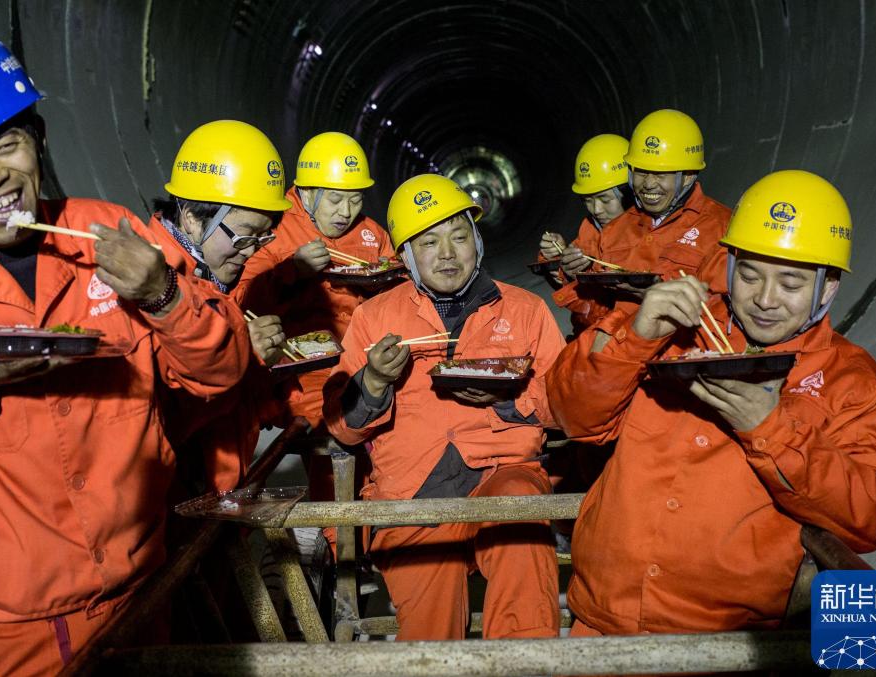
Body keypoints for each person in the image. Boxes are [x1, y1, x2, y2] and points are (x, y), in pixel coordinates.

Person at [0, 28, 245, 673]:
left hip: (137, 598)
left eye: (8, 145)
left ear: (40, 141)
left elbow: (221, 373)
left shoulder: (111, 235)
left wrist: (165, 295)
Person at [547, 170, 876, 636]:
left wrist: (771, 429)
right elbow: (574, 417)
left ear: (829, 286)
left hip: (728, 644)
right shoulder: (673, 327)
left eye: (792, 285)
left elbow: (874, 518)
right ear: (729, 267)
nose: (765, 300)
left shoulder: (852, 383)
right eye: (751, 276)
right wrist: (634, 340)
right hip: (601, 623)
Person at [323, 174, 565, 640]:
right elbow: (342, 428)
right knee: (430, 635)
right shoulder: (374, 317)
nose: (448, 254)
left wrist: (511, 398)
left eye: (459, 236)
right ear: (407, 256)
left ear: (477, 240)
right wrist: (373, 382)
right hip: (414, 490)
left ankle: (526, 667)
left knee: (520, 529)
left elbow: (565, 404)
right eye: (429, 242)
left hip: (504, 472)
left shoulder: (525, 310)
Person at [149, 119, 294, 491]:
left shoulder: (212, 278)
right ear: (193, 218)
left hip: (219, 497)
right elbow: (154, 422)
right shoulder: (155, 294)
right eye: (245, 236)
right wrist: (242, 356)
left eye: (263, 238)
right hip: (174, 509)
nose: (250, 252)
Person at [236, 131, 396, 430]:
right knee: (332, 419)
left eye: (355, 200)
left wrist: (383, 284)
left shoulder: (370, 234)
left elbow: (402, 295)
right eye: (335, 199)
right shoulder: (274, 227)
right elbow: (241, 301)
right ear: (307, 193)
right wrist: (292, 271)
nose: (346, 212)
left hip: (362, 355)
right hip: (299, 366)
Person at [552, 109, 732, 325]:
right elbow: (599, 315)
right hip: (617, 350)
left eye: (660, 174)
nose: (647, 184)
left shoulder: (721, 229)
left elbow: (724, 318)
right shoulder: (617, 230)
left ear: (688, 176)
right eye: (641, 172)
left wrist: (653, 296)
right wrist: (577, 277)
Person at [537, 133, 633, 336]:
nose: (596, 209)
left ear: (630, 191)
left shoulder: (650, 233)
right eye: (587, 200)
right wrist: (557, 259)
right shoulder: (590, 232)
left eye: (605, 199)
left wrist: (591, 275)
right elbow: (584, 307)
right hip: (590, 335)